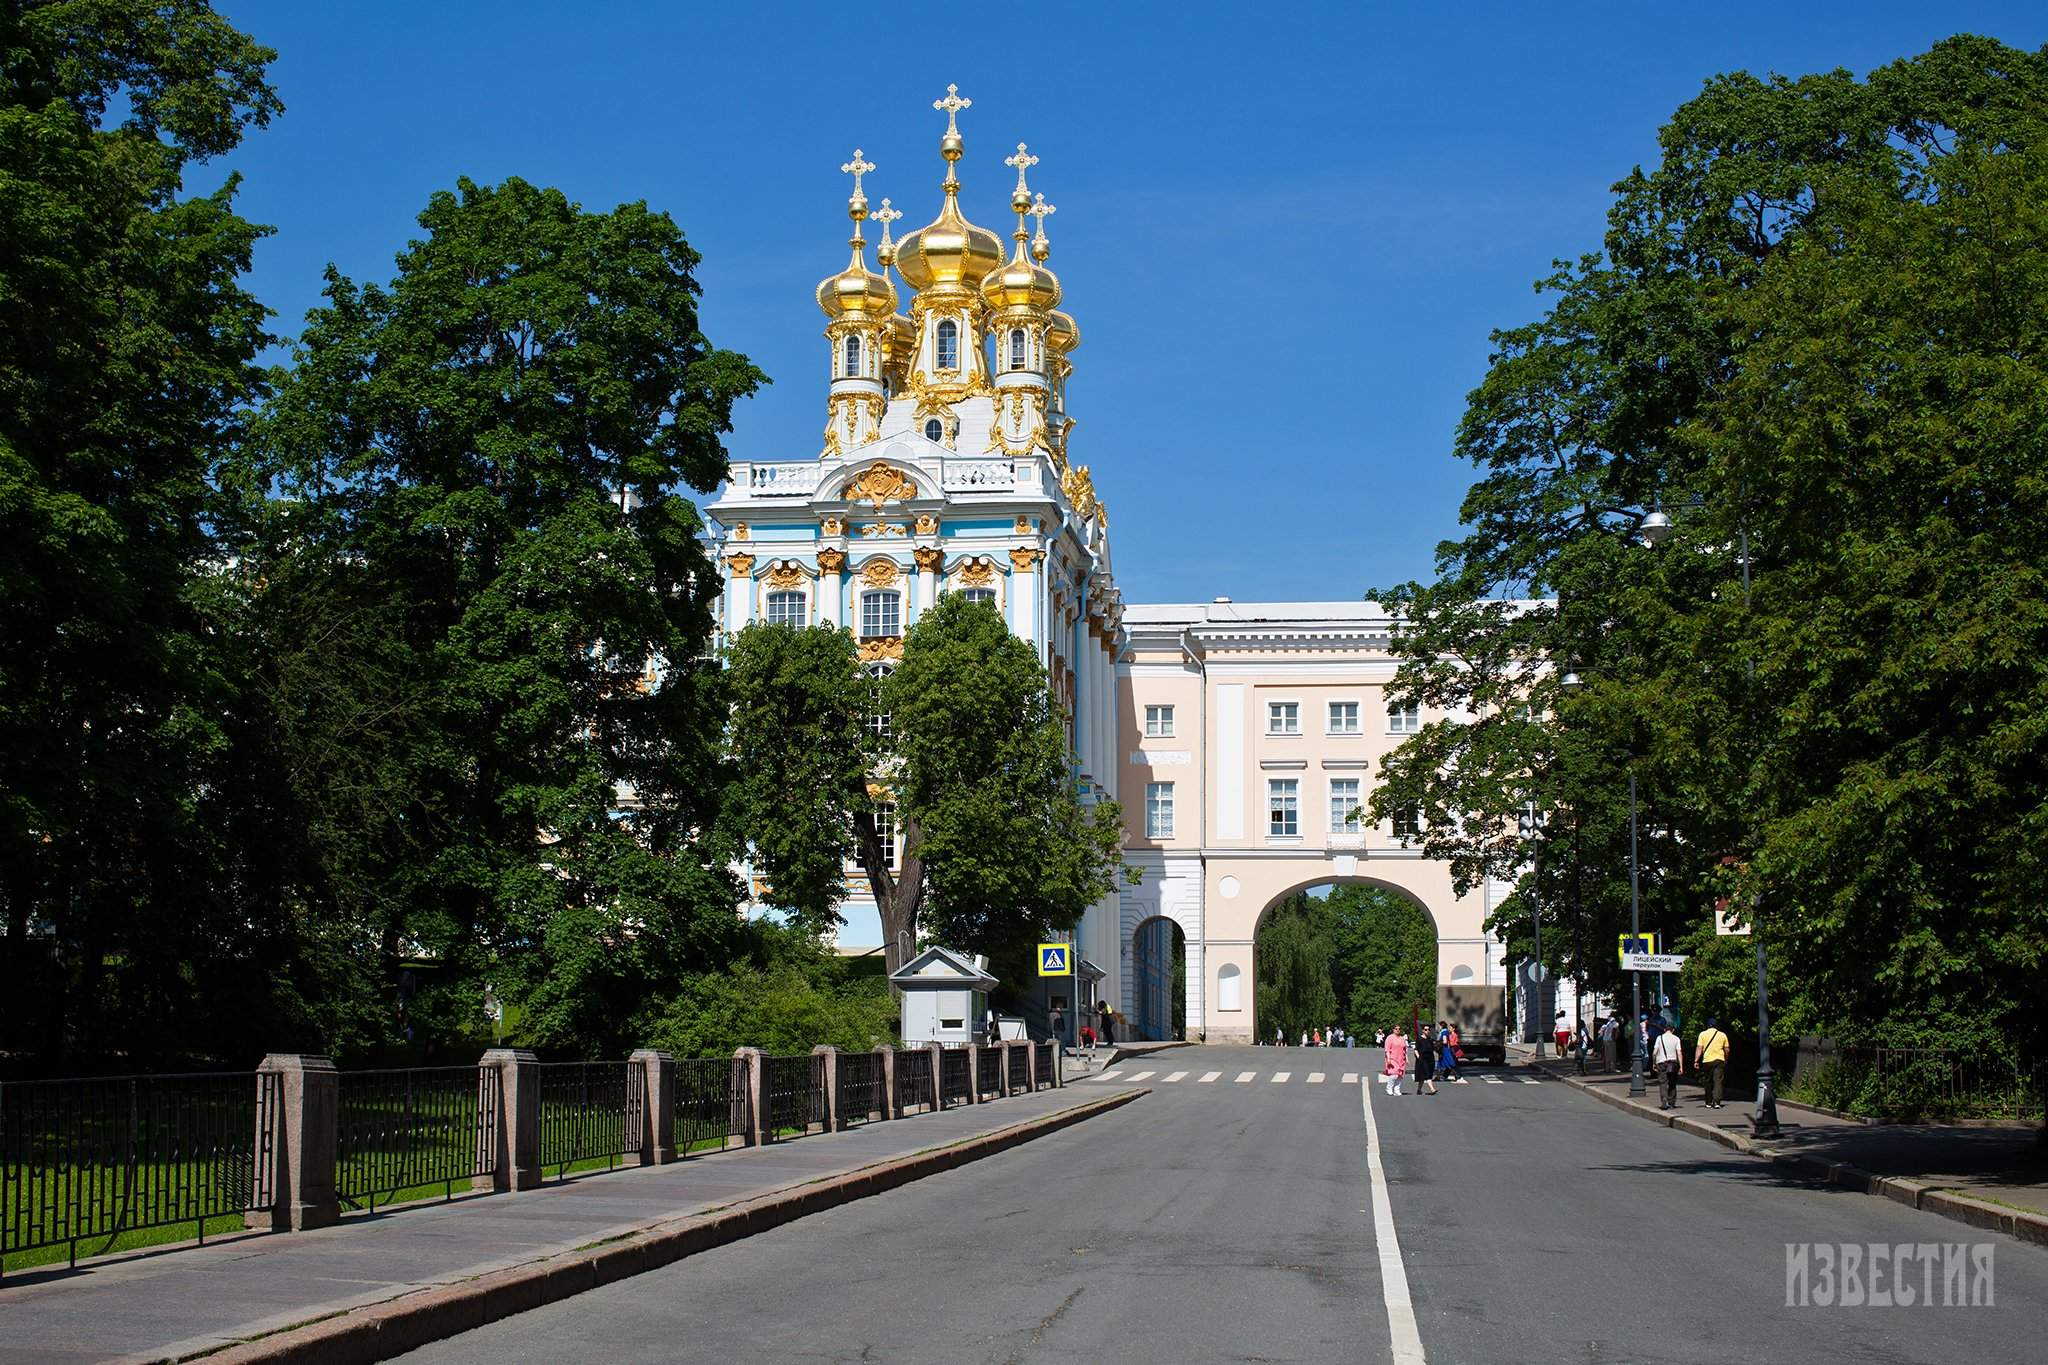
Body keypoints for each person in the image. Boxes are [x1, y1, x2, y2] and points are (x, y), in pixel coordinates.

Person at [1693, 1016, 1730, 1109]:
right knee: (1718, 1081)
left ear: (1708, 1025)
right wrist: (1726, 1058)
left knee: (1708, 1081)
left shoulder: (1702, 1034)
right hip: (1719, 1060)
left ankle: (1708, 1102)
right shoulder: (1722, 1035)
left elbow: (1699, 1048)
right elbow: (1727, 1049)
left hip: (1707, 1061)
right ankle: (1717, 1102)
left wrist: (1696, 1060)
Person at [1652, 1017, 1685, 1109]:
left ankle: (1664, 1100)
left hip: (1661, 1062)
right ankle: (1672, 1102)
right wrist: (1681, 1066)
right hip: (1673, 1063)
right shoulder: (1676, 1039)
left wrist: (1654, 1063)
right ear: (1673, 1029)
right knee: (1672, 1083)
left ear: (1664, 1029)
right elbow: (1679, 1053)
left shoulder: (1659, 1038)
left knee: (1663, 1082)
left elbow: (1655, 1052)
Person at [1382, 1026, 1408, 1095]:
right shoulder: (1390, 1038)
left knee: (1400, 1075)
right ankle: (1389, 1088)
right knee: (1394, 1074)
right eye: (1396, 1029)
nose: (1398, 1030)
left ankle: (1397, 1089)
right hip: (1393, 1059)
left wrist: (1407, 1059)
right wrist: (1388, 1058)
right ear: (1393, 1030)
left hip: (1401, 1059)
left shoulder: (1402, 1039)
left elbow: (1405, 1050)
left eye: (1399, 1029)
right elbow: (1387, 1049)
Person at [1414, 1021, 1439, 1094]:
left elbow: (1433, 1049)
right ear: (1422, 1031)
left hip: (1430, 1058)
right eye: (1425, 1029)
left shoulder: (1430, 1039)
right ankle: (1432, 1089)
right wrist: (1419, 1058)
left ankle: (1419, 1090)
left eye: (1428, 1030)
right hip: (1422, 1058)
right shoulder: (1419, 1039)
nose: (1427, 1031)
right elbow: (1416, 1049)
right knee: (1427, 1074)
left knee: (1425, 1075)